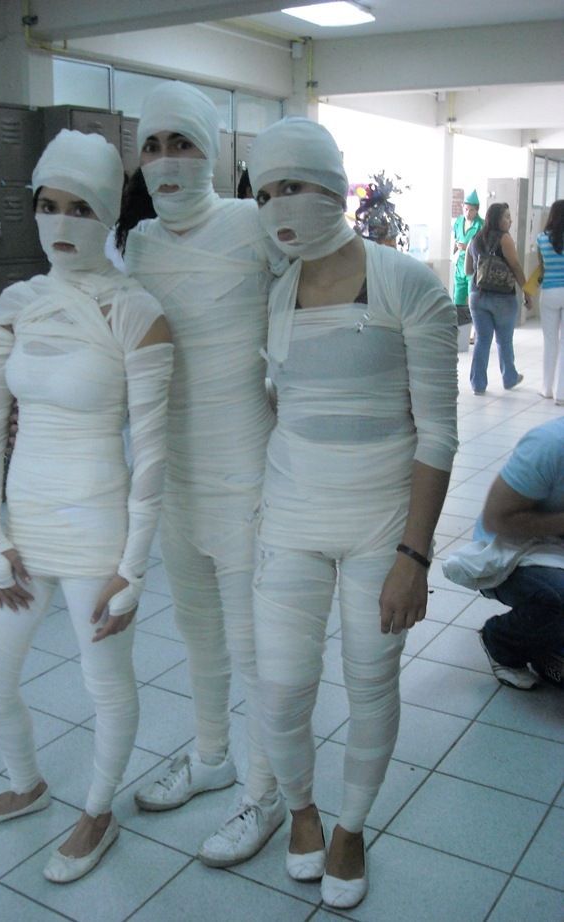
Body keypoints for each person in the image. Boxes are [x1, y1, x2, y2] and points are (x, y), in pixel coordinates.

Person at [248, 117, 458, 910]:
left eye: (292, 186)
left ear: (334, 187)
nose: (277, 207)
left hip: (380, 527)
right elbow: (282, 405)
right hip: (290, 520)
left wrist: (414, 555)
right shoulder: (275, 291)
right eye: (264, 193)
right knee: (279, 686)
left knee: (370, 681)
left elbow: (438, 432)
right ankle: (300, 809)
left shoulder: (405, 282)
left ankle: (350, 825)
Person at [0, 130, 173, 884]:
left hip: (96, 530)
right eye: (46, 206)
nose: (59, 223)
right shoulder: (16, 302)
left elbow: (151, 453)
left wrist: (134, 569)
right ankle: (28, 784)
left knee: (104, 683)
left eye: (79, 208)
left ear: (108, 215)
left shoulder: (137, 312)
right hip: (23, 523)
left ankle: (98, 809)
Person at [124, 81, 288, 868]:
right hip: (174, 482)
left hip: (246, 476)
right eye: (151, 146)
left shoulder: (253, 227)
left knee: (255, 648)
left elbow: (312, 314)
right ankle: (212, 755)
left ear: (212, 151)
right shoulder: (142, 246)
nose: (165, 162)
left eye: (180, 143)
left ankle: (266, 791)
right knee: (197, 639)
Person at [443, 417, 564, 689]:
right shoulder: (549, 445)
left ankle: (547, 641)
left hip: (555, 542)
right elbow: (497, 519)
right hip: (511, 548)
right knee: (556, 598)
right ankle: (501, 641)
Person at [465, 201, 532, 395]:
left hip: (477, 296)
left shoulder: (476, 238)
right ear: (496, 218)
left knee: (482, 339)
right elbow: (516, 267)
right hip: (502, 297)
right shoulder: (505, 239)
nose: (510, 220)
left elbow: (469, 270)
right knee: (504, 340)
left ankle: (478, 384)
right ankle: (509, 377)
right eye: (506, 217)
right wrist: (527, 291)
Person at [536, 199, 564, 405]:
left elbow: (541, 268)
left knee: (550, 341)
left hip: (549, 292)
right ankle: (561, 393)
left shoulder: (541, 239)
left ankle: (546, 388)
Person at [452, 190, 483, 350]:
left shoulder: (481, 225)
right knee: (457, 301)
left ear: (477, 210)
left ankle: (475, 333)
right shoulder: (458, 222)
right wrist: (456, 250)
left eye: (471, 210)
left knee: (473, 303)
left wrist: (467, 248)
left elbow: (482, 248)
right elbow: (455, 240)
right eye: (466, 208)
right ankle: (459, 335)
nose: (468, 212)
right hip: (459, 267)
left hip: (473, 268)